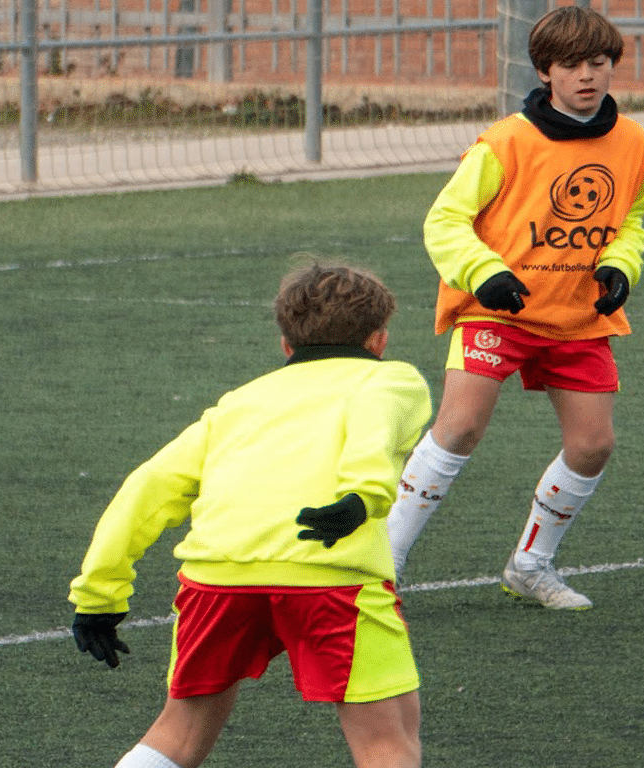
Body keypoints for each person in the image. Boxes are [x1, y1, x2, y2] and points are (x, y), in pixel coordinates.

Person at [67, 262, 432, 768]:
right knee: (386, 742)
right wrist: (360, 499)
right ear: (379, 340)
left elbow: (146, 488)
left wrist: (98, 594)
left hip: (216, 580)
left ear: (286, 345)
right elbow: (375, 431)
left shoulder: (237, 403)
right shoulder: (392, 380)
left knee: (179, 732)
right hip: (330, 579)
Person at [384, 4, 644, 609]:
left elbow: (630, 221)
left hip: (577, 315)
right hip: (497, 310)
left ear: (612, 66)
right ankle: (382, 570)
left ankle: (530, 565)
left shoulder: (636, 143)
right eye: (571, 65)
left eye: (598, 62)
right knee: (458, 428)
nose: (587, 75)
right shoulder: (506, 141)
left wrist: (620, 265)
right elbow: (446, 218)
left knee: (593, 445)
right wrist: (485, 273)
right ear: (544, 73)